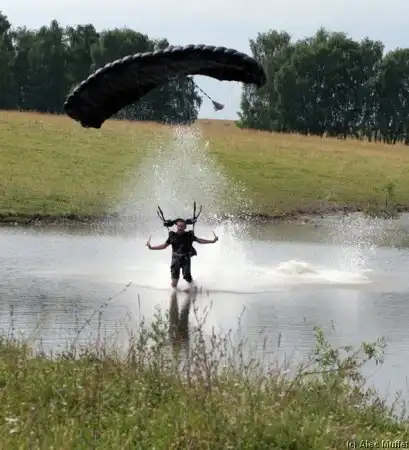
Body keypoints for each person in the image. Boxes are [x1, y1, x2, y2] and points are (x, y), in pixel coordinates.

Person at [146, 218, 219, 289]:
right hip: (175, 260)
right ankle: (174, 293)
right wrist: (151, 247)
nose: (180, 228)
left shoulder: (189, 235)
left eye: (182, 226)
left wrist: (212, 241)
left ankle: (194, 287)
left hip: (186, 259)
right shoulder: (172, 236)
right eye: (179, 226)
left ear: (185, 227)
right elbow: (164, 246)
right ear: (177, 226)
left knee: (187, 276)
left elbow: (200, 240)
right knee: (174, 283)